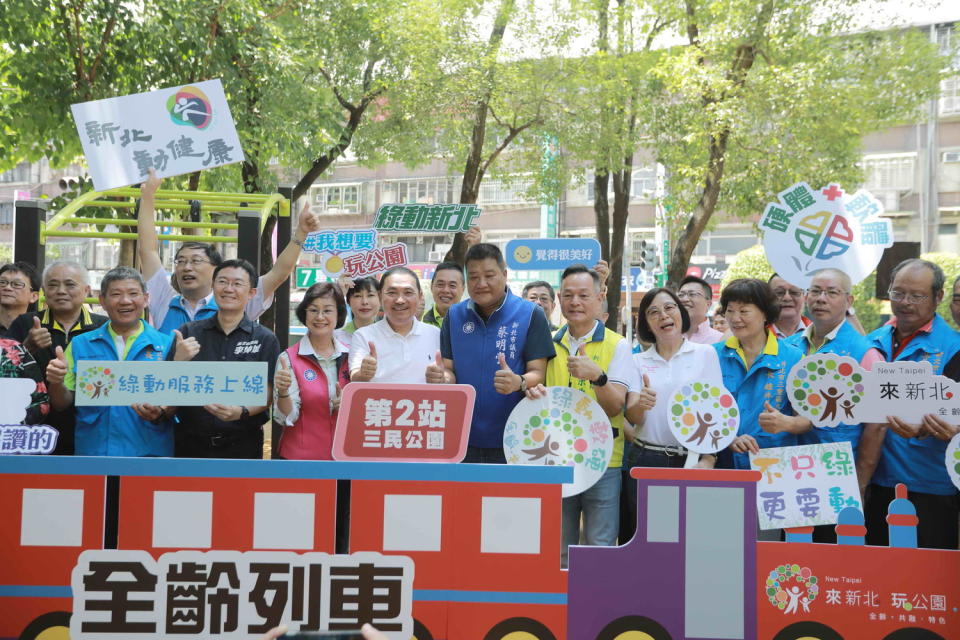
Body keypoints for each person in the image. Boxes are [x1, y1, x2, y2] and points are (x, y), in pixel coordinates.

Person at [525, 265, 632, 566]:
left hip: (603, 461)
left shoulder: (618, 345)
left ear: (600, 298)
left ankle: (597, 610)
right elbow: (537, 395)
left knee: (599, 548)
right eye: (569, 295)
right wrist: (530, 391)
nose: (576, 302)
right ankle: (561, 611)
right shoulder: (547, 343)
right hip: (556, 458)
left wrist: (598, 377)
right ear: (559, 298)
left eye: (584, 295)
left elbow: (615, 408)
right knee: (559, 550)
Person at [137, 168, 320, 334]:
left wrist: (301, 233)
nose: (186, 267)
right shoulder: (164, 301)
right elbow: (148, 251)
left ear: (215, 270)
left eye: (195, 261)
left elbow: (279, 273)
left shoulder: (233, 300)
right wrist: (148, 197)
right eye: (181, 261)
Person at [858, 259, 960, 549]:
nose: (905, 303)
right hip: (875, 480)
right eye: (898, 293)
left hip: (930, 485)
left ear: (938, 298)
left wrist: (942, 425)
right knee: (878, 576)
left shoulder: (953, 347)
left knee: (927, 581)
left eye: (917, 296)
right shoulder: (870, 344)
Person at [783, 268, 883, 543]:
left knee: (831, 559)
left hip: (837, 477)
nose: (821, 299)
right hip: (789, 472)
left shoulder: (865, 354)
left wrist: (860, 483)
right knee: (790, 556)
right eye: (815, 291)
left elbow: (876, 427)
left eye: (832, 292)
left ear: (849, 301)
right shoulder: (790, 347)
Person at [434, 243, 555, 463]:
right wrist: (442, 378)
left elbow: (538, 372)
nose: (481, 284)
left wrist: (517, 382)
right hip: (462, 437)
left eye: (489, 275)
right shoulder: (454, 316)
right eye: (473, 277)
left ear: (504, 274)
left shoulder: (530, 314)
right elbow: (449, 371)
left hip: (516, 435)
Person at [620, 287, 723, 542]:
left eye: (669, 308)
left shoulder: (705, 354)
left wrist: (708, 460)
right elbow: (633, 417)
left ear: (680, 313)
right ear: (645, 323)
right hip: (646, 459)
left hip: (690, 461)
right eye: (653, 312)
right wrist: (641, 404)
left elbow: (716, 412)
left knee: (689, 540)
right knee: (646, 539)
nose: (663, 316)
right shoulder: (637, 361)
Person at [45, 267, 174, 456]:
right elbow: (61, 403)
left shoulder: (167, 345)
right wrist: (56, 381)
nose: (125, 301)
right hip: (94, 454)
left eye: (133, 293)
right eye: (116, 294)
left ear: (146, 299)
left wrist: (161, 411)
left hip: (149, 456)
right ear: (102, 301)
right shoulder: (81, 344)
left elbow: (177, 405)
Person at [168, 259, 282, 459]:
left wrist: (241, 412)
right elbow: (167, 386)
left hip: (243, 445)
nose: (229, 289)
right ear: (213, 287)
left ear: (251, 293)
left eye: (237, 284)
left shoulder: (265, 338)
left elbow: (267, 393)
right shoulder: (188, 332)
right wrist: (178, 362)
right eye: (222, 282)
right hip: (190, 444)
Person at [7, 261, 107, 454]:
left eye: (70, 284)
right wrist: (28, 347)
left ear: (86, 290)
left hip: (91, 431)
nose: (61, 291)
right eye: (53, 285)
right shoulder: (25, 323)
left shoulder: (103, 327)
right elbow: (5, 375)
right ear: (44, 290)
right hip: (34, 431)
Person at [714, 278, 810, 471]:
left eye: (743, 311)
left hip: (774, 467)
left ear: (765, 313)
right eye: (730, 310)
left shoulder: (793, 358)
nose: (734, 318)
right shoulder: (713, 355)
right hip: (724, 465)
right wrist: (727, 438)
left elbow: (807, 420)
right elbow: (699, 410)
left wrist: (787, 423)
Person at [274, 282, 351, 459]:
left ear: (339, 314)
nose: (320, 317)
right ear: (304, 313)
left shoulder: (352, 355)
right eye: (313, 310)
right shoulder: (288, 359)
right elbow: (287, 417)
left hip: (346, 458)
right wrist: (284, 392)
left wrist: (350, 405)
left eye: (328, 310)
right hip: (301, 460)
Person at [350, 267, 441, 384]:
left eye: (408, 292)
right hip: (380, 402)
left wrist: (441, 377)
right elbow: (355, 377)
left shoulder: (435, 334)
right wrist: (364, 374)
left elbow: (448, 374)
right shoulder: (363, 336)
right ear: (380, 296)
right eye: (392, 293)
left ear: (420, 296)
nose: (400, 300)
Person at [678, 275, 724, 344]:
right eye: (681, 295)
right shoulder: (667, 337)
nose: (685, 299)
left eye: (692, 294)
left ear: (708, 304)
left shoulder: (720, 340)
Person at [336, 276, 381, 345]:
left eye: (370, 295)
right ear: (348, 301)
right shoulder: (337, 336)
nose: (364, 302)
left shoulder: (389, 335)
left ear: (380, 299)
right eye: (357, 296)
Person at [0, 262, 40, 337]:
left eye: (17, 284)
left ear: (34, 296)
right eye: (2, 282)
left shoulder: (37, 331)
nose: (7, 288)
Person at [421, 262, 465, 329]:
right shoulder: (420, 320)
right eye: (440, 284)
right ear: (431, 287)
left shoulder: (473, 321)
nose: (446, 290)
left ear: (463, 289)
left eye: (452, 285)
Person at [768, 274, 810, 338]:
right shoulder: (756, 334)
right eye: (779, 292)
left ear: (805, 297)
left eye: (794, 292)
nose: (787, 298)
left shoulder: (819, 334)